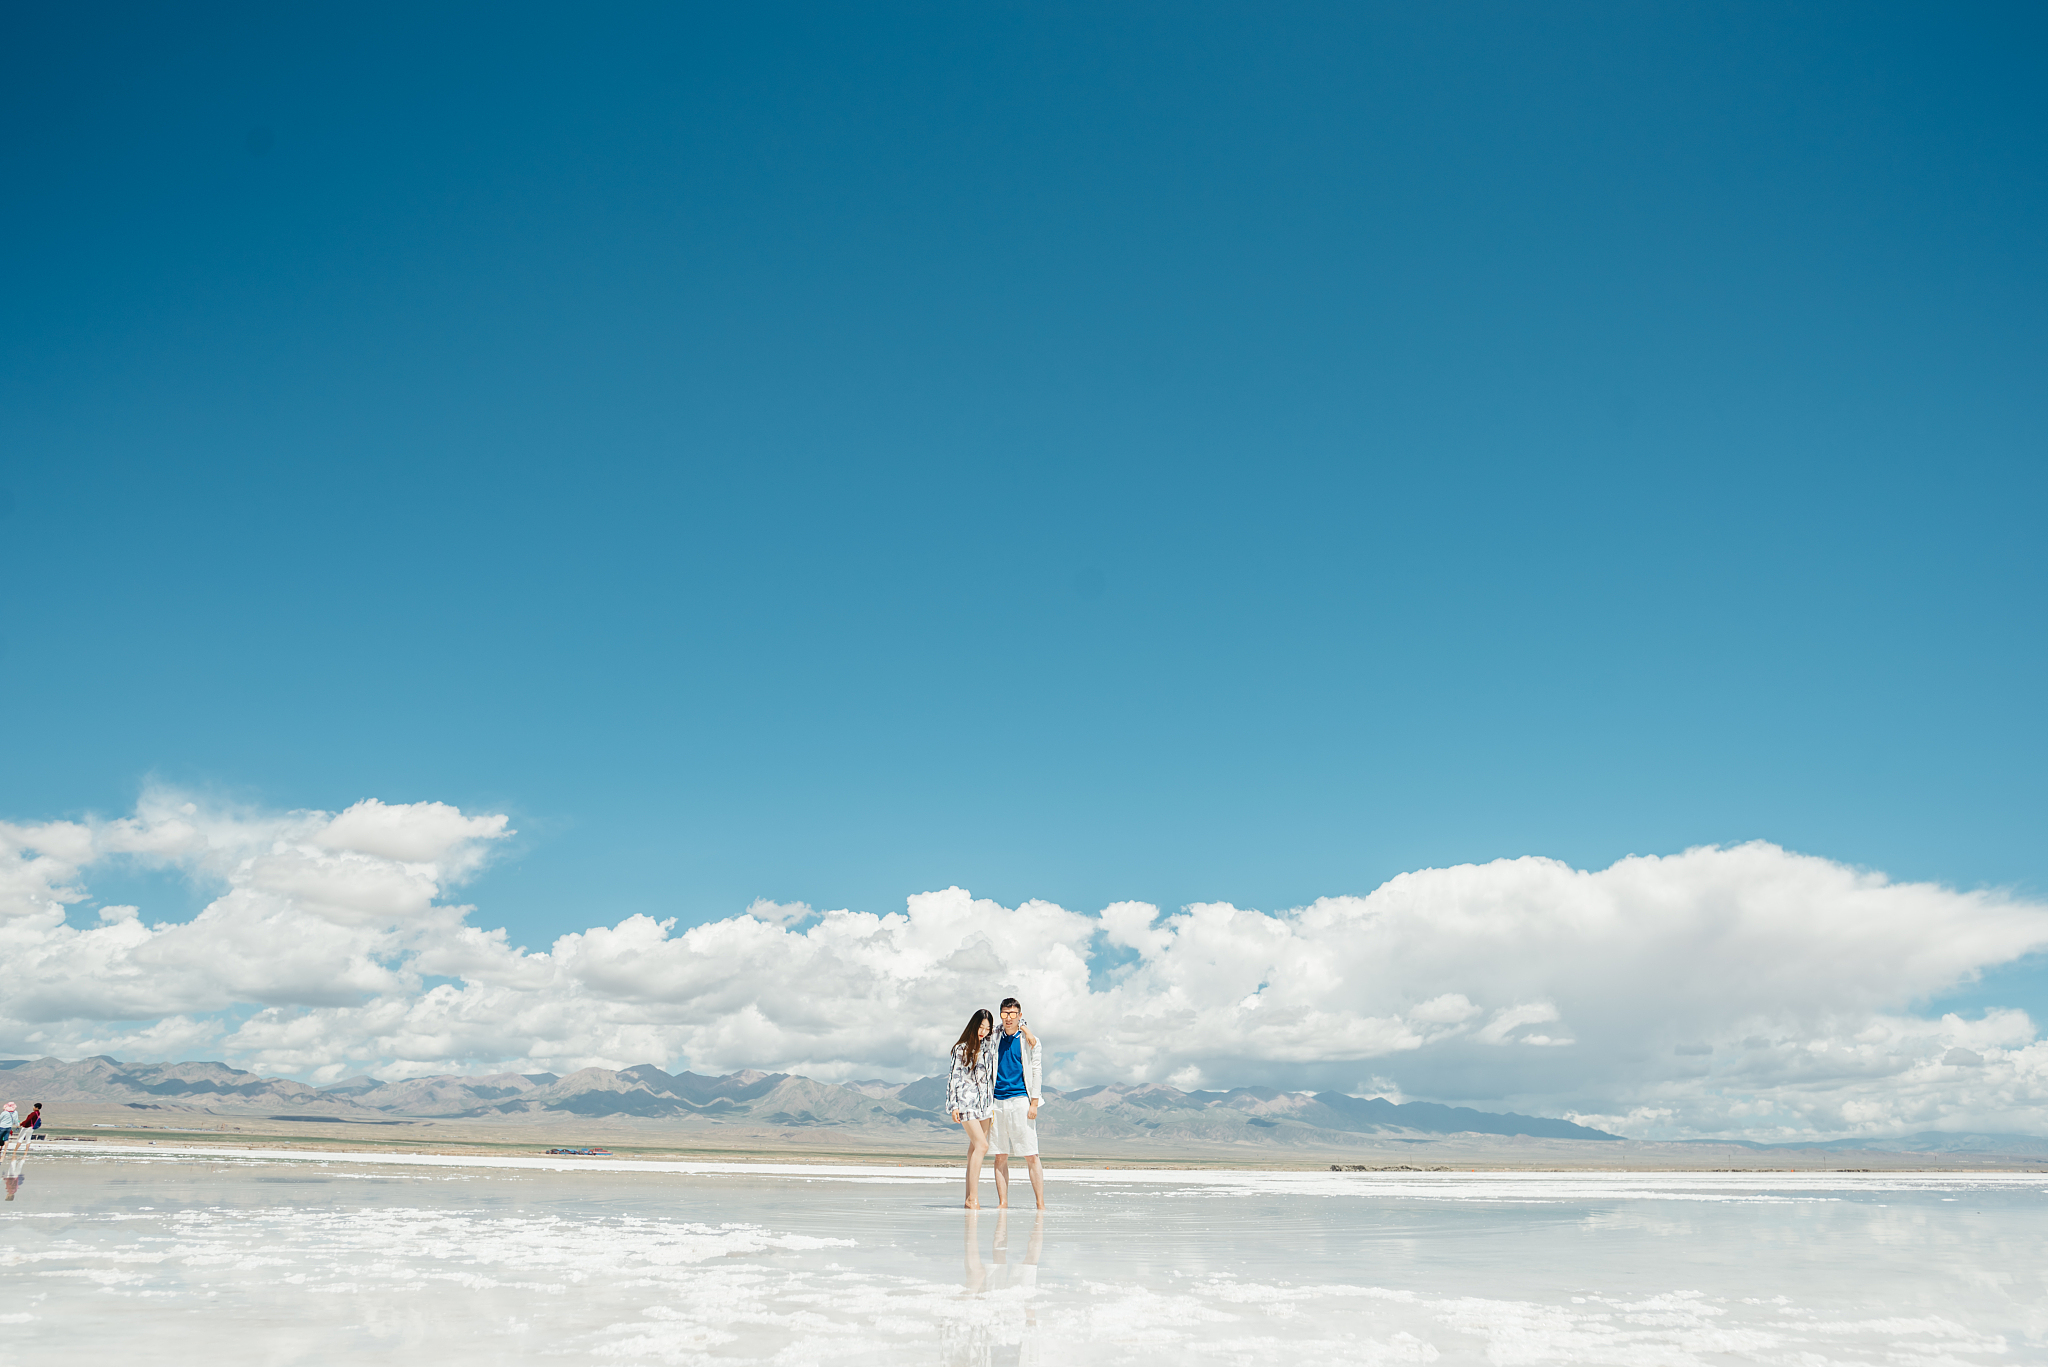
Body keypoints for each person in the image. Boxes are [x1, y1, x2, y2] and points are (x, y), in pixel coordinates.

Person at [987, 997, 1045, 1209]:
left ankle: (1040, 1203)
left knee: (1031, 1154)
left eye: (1012, 1014)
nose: (1008, 1018)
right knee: (1000, 1155)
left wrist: (1034, 1103)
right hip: (996, 1102)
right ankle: (1003, 1203)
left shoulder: (1030, 1040)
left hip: (1021, 1100)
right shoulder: (994, 1037)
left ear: (1020, 1015)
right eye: (1004, 1014)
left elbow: (1037, 1071)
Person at [946, 1008, 997, 1209]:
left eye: (987, 1028)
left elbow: (1009, 1026)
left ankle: (968, 1197)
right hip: (966, 1103)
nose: (983, 1031)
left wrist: (1025, 1028)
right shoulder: (961, 1048)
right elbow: (954, 1077)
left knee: (975, 1150)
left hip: (985, 1104)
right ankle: (973, 1198)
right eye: (980, 1027)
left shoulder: (989, 1045)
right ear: (973, 1025)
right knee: (982, 1146)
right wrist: (954, 1105)